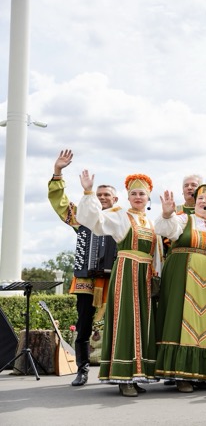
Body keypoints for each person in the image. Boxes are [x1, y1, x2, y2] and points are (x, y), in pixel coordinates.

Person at [77, 170, 163, 397]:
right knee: (126, 321)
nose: (138, 197)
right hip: (126, 271)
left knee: (143, 323)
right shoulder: (120, 215)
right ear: (127, 196)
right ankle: (123, 377)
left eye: (142, 194)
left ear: (148, 197)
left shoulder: (151, 222)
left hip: (145, 275)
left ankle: (137, 374)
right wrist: (88, 193)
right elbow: (95, 221)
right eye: (134, 193)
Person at [48, 149, 118, 386]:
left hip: (114, 280)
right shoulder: (82, 217)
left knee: (118, 325)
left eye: (107, 195)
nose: (103, 198)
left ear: (116, 199)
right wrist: (57, 172)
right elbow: (60, 204)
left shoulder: (123, 220)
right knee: (84, 324)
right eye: (99, 194)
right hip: (86, 280)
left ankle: (117, 370)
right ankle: (83, 369)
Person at [154, 185, 206, 393]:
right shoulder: (185, 219)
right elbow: (167, 230)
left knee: (203, 322)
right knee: (179, 319)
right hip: (180, 273)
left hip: (205, 277)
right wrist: (167, 214)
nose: (203, 201)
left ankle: (199, 373)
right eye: (200, 198)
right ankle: (180, 374)